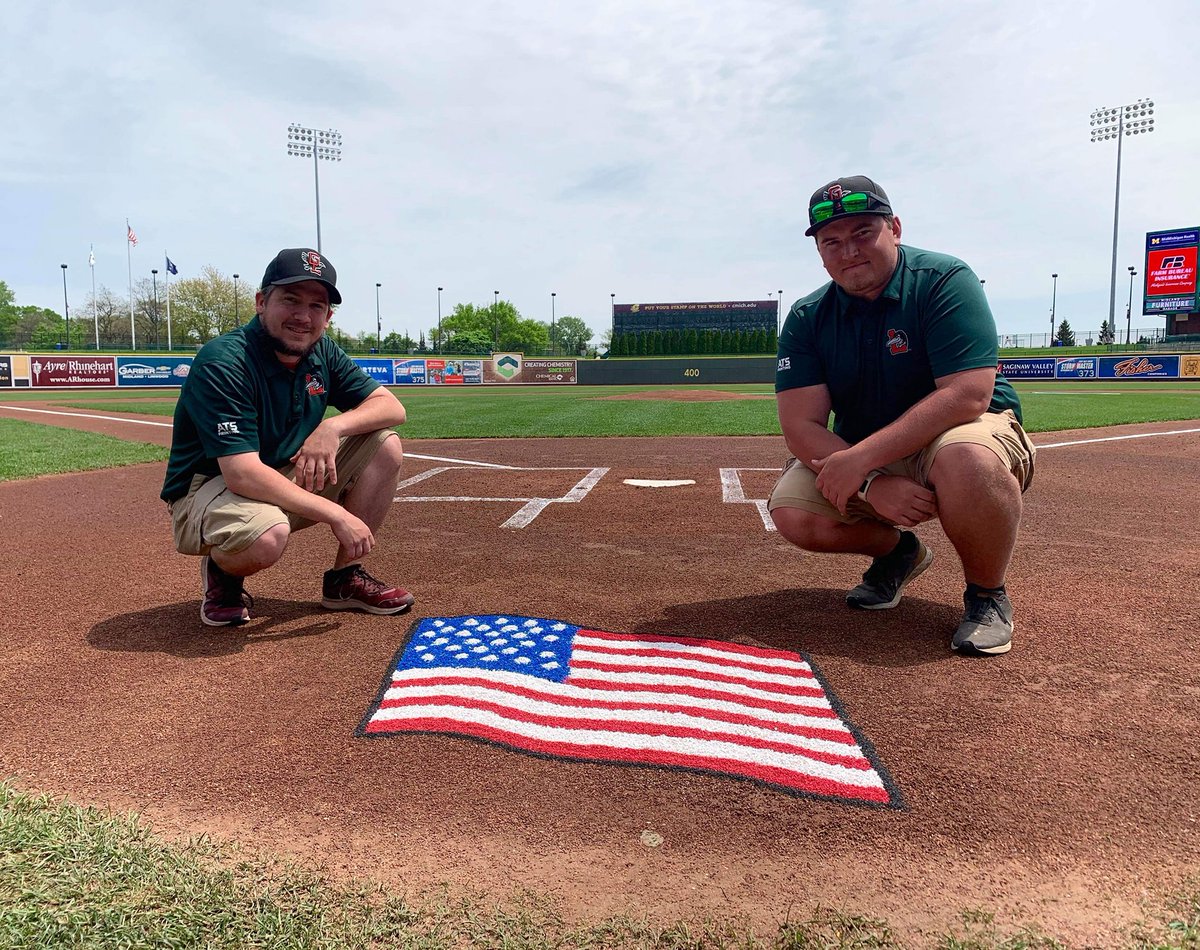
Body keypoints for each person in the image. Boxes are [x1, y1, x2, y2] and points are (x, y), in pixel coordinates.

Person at [768, 177, 1035, 656]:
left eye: (863, 232)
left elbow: (967, 395)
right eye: (832, 241)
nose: (848, 250)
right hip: (871, 450)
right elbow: (800, 426)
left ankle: (986, 595)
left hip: (960, 432)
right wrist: (872, 482)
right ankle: (899, 554)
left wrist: (861, 461)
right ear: (820, 253)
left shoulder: (944, 280)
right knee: (794, 512)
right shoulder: (809, 315)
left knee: (967, 460)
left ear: (894, 227)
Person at [161, 247, 414, 626]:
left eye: (317, 306)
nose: (303, 316)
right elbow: (241, 473)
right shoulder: (225, 360)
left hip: (281, 471)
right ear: (262, 302)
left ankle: (344, 579)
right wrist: (336, 514)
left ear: (328, 317)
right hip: (209, 487)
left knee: (385, 444)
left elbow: (392, 407)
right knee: (267, 537)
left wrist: (332, 426)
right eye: (290, 300)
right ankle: (223, 573)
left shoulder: (322, 351)